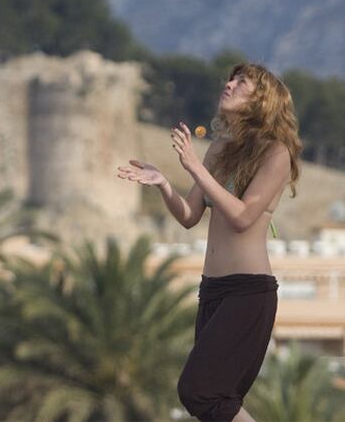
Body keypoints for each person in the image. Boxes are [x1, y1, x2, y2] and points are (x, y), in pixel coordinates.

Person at [117, 62, 303, 421]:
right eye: (230, 79)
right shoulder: (218, 150)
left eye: (242, 82)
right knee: (216, 399)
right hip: (212, 291)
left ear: (263, 100)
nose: (229, 84)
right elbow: (189, 216)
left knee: (198, 391)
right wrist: (163, 184)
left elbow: (243, 217)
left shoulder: (275, 153)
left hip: (248, 293)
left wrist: (194, 167)